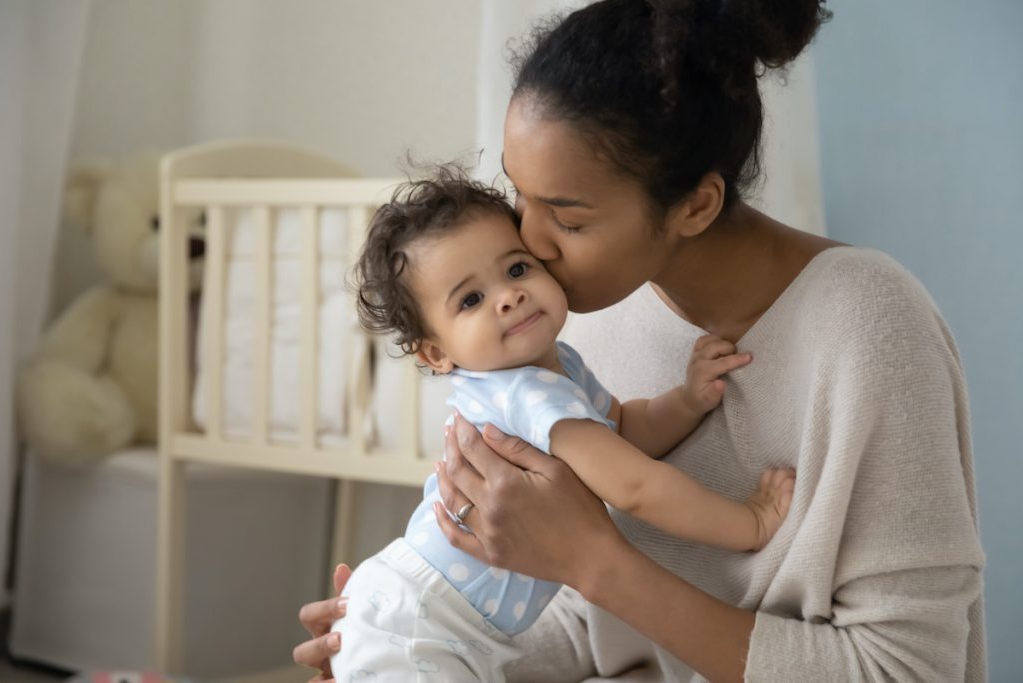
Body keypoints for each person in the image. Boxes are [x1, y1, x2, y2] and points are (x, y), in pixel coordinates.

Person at [294, 1, 987, 681]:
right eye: (518, 195)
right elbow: (588, 623)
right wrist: (418, 639)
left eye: (565, 217)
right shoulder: (573, 316)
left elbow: (908, 668)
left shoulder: (868, 324)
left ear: (696, 206)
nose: (527, 244)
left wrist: (597, 562)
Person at [329, 166, 794, 681]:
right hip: (423, 622)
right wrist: (747, 523)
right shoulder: (527, 394)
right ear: (438, 352)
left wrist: (686, 401)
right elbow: (635, 486)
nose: (509, 296)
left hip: (423, 616)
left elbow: (622, 428)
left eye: (517, 269)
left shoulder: (558, 365)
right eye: (471, 300)